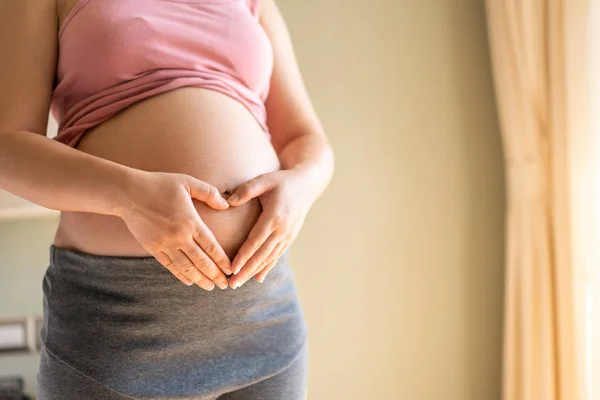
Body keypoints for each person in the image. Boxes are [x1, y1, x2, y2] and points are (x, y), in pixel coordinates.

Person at [0, 0, 334, 399]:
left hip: (263, 321)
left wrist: (301, 185)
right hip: (121, 329)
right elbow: (9, 149)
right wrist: (130, 197)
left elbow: (305, 138)